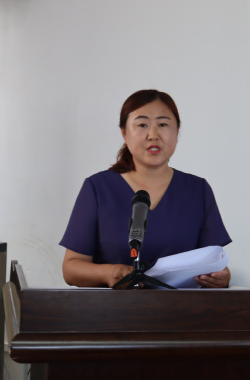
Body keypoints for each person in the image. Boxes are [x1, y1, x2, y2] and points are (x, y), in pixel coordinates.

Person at [60, 89, 232, 288]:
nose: (153, 135)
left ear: (177, 132)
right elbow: (71, 268)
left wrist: (221, 276)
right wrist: (109, 273)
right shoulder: (98, 188)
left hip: (182, 307)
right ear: (124, 133)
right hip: (113, 307)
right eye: (142, 125)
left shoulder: (197, 190)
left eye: (163, 124)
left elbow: (214, 260)